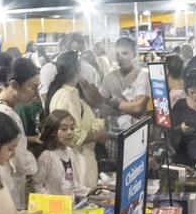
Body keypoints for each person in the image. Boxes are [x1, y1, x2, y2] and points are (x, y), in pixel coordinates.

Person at [0, 57, 42, 209]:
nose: (36, 94)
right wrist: (35, 162)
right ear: (14, 84)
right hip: (5, 184)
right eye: (32, 87)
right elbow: (21, 162)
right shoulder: (8, 114)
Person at [46, 52, 104, 191]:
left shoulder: (72, 93)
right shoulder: (67, 96)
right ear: (76, 70)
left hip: (82, 156)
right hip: (78, 160)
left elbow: (97, 103)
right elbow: (72, 134)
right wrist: (98, 136)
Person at [99, 38, 151, 130]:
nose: (121, 57)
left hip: (137, 130)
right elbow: (103, 109)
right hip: (115, 130)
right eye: (117, 54)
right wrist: (129, 106)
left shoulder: (142, 76)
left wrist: (117, 104)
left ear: (134, 54)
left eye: (125, 53)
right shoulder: (108, 77)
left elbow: (138, 108)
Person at [167, 67, 196, 168]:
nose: (195, 96)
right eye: (191, 92)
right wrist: (180, 129)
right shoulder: (180, 105)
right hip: (183, 155)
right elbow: (169, 132)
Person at [34, 110, 82, 197]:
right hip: (53, 207)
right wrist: (55, 202)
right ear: (52, 132)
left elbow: (71, 184)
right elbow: (37, 186)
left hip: (69, 205)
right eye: (64, 129)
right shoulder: (47, 155)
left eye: (72, 128)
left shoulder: (69, 152)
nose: (69, 132)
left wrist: (92, 190)